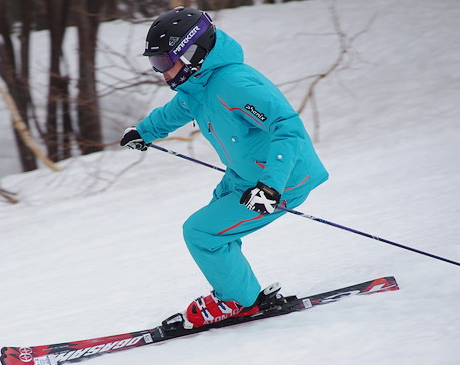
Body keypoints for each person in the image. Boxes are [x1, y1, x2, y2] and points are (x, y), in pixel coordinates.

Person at [120, 7, 329, 330]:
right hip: (244, 176)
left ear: (192, 53)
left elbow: (287, 127)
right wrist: (144, 131)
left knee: (201, 232)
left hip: (282, 180)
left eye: (164, 62)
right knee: (214, 232)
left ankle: (237, 301)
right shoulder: (198, 84)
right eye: (154, 63)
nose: (160, 72)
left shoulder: (234, 84)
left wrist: (271, 186)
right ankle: (240, 295)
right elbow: (178, 109)